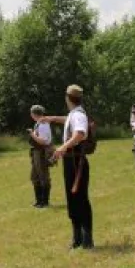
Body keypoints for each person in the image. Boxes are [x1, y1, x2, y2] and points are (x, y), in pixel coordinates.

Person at [41, 84, 94, 250]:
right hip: (71, 161)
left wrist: (63, 148)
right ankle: (77, 238)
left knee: (80, 199)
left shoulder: (78, 115)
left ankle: (86, 239)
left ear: (67, 98)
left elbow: (80, 133)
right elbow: (69, 121)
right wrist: (53, 118)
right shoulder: (76, 113)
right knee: (72, 200)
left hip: (76, 161)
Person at [27, 104, 53, 208]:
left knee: (43, 176)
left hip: (41, 152)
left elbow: (43, 141)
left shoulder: (43, 125)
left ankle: (45, 202)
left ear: (34, 113)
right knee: (34, 176)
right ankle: (38, 201)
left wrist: (32, 134)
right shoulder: (39, 123)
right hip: (36, 152)